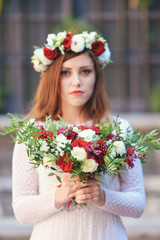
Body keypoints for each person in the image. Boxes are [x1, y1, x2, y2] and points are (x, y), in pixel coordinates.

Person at [12, 31, 145, 240]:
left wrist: (102, 196)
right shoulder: (33, 132)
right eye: (65, 72)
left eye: (85, 71)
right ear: (52, 77)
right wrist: (59, 195)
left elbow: (137, 204)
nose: (76, 82)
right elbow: (21, 210)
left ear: (96, 76)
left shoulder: (119, 129)